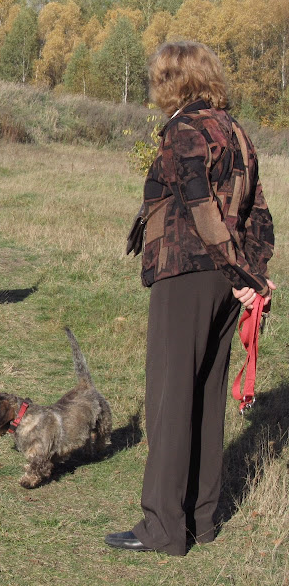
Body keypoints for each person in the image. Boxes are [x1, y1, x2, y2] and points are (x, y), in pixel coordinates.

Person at [106, 41, 275, 556]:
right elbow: (259, 214)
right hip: (225, 283)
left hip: (186, 274)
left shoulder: (183, 129)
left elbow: (201, 206)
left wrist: (238, 270)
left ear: (171, 81)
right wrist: (251, 275)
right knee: (205, 395)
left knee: (170, 397)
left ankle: (163, 527)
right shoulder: (235, 130)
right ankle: (201, 521)